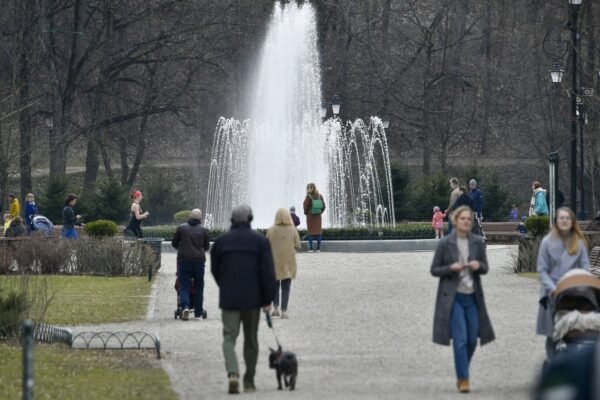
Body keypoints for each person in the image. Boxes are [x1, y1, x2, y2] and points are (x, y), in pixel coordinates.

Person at [210, 204, 276, 394]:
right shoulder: (260, 241)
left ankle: (233, 373)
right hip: (252, 300)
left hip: (229, 298)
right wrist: (267, 299)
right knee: (251, 340)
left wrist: (225, 286)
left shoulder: (221, 241)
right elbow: (267, 273)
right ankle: (249, 382)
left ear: (232, 219)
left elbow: (215, 270)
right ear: (250, 218)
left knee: (229, 338)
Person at [431, 205, 495, 393]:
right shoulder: (445, 243)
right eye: (463, 218)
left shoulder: (477, 242)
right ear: (455, 220)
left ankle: (462, 369)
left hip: (473, 298)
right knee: (460, 339)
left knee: (472, 340)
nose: (466, 221)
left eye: (469, 219)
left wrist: (477, 266)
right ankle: (463, 378)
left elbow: (485, 268)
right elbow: (434, 269)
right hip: (454, 298)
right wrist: (450, 268)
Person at [536, 207, 590, 359]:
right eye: (561, 218)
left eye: (567, 218)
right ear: (556, 221)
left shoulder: (579, 243)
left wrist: (579, 286)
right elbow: (542, 270)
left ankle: (570, 360)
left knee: (571, 329)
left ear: (572, 221)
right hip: (551, 291)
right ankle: (553, 360)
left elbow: (585, 268)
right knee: (552, 332)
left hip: (573, 290)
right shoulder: (547, 242)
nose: (564, 220)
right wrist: (553, 288)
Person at [172, 208, 210, 321]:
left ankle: (185, 307)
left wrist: (182, 249)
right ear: (200, 218)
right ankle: (198, 312)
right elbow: (207, 247)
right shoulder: (204, 230)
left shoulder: (182, 228)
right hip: (199, 261)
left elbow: (174, 243)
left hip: (184, 260)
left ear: (190, 217)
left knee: (184, 284)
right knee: (199, 285)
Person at [266, 208, 300, 319]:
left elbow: (266, 246)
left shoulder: (271, 230)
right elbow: (298, 246)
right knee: (286, 287)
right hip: (288, 262)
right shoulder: (293, 229)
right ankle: (284, 311)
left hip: (274, 262)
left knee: (275, 286)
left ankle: (275, 309)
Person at [303, 183, 325, 252]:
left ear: (309, 188)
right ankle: (318, 248)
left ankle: (311, 248)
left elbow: (305, 206)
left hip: (310, 217)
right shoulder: (320, 196)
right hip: (318, 217)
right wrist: (320, 212)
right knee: (318, 232)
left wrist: (306, 212)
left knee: (310, 232)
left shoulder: (308, 196)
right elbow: (324, 206)